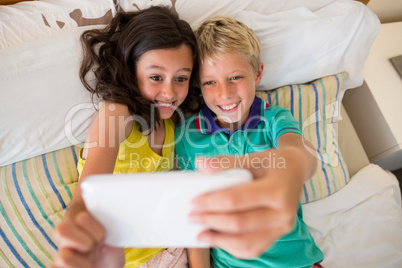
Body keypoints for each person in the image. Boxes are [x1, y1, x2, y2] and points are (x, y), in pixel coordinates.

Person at [51, 6, 201, 268]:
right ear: (131, 70)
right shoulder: (117, 113)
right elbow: (86, 196)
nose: (170, 92)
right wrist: (78, 232)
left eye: (181, 78)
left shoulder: (173, 123)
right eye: (156, 77)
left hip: (178, 248)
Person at [175, 16, 324, 267]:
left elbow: (298, 151)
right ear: (198, 87)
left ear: (257, 74)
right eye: (210, 82)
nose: (225, 93)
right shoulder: (188, 137)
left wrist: (295, 162)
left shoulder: (274, 119)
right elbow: (194, 222)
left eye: (235, 77)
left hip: (297, 261)